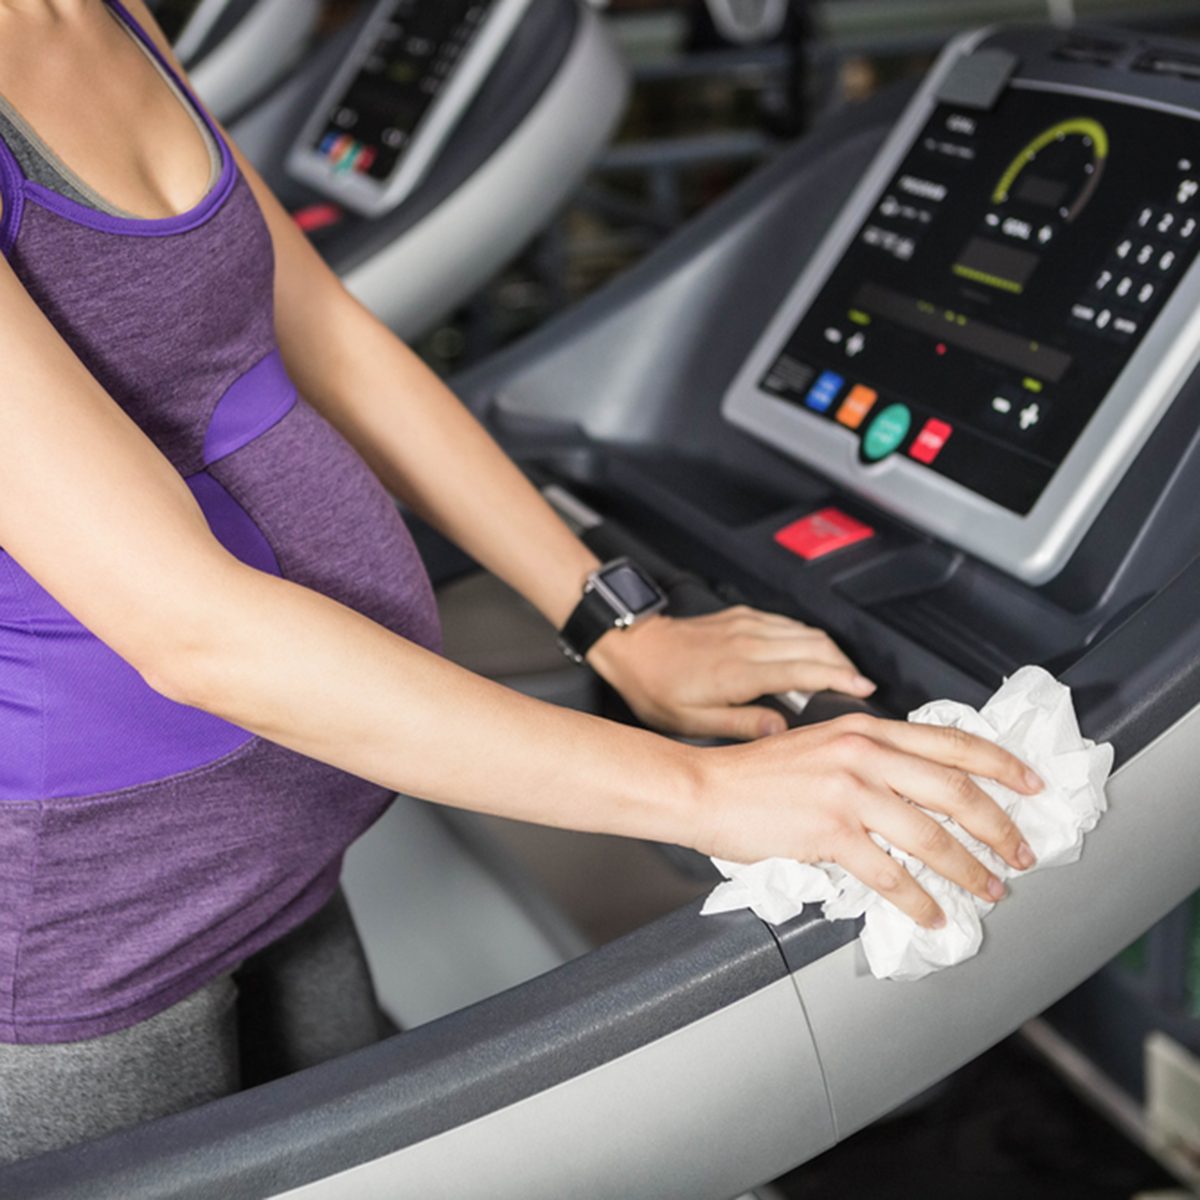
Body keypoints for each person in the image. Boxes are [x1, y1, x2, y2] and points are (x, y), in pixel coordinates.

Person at [0, 0, 1042, 1164]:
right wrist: (706, 794)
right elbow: (193, 632)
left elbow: (323, 333)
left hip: (292, 833)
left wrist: (617, 624)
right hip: (91, 920)